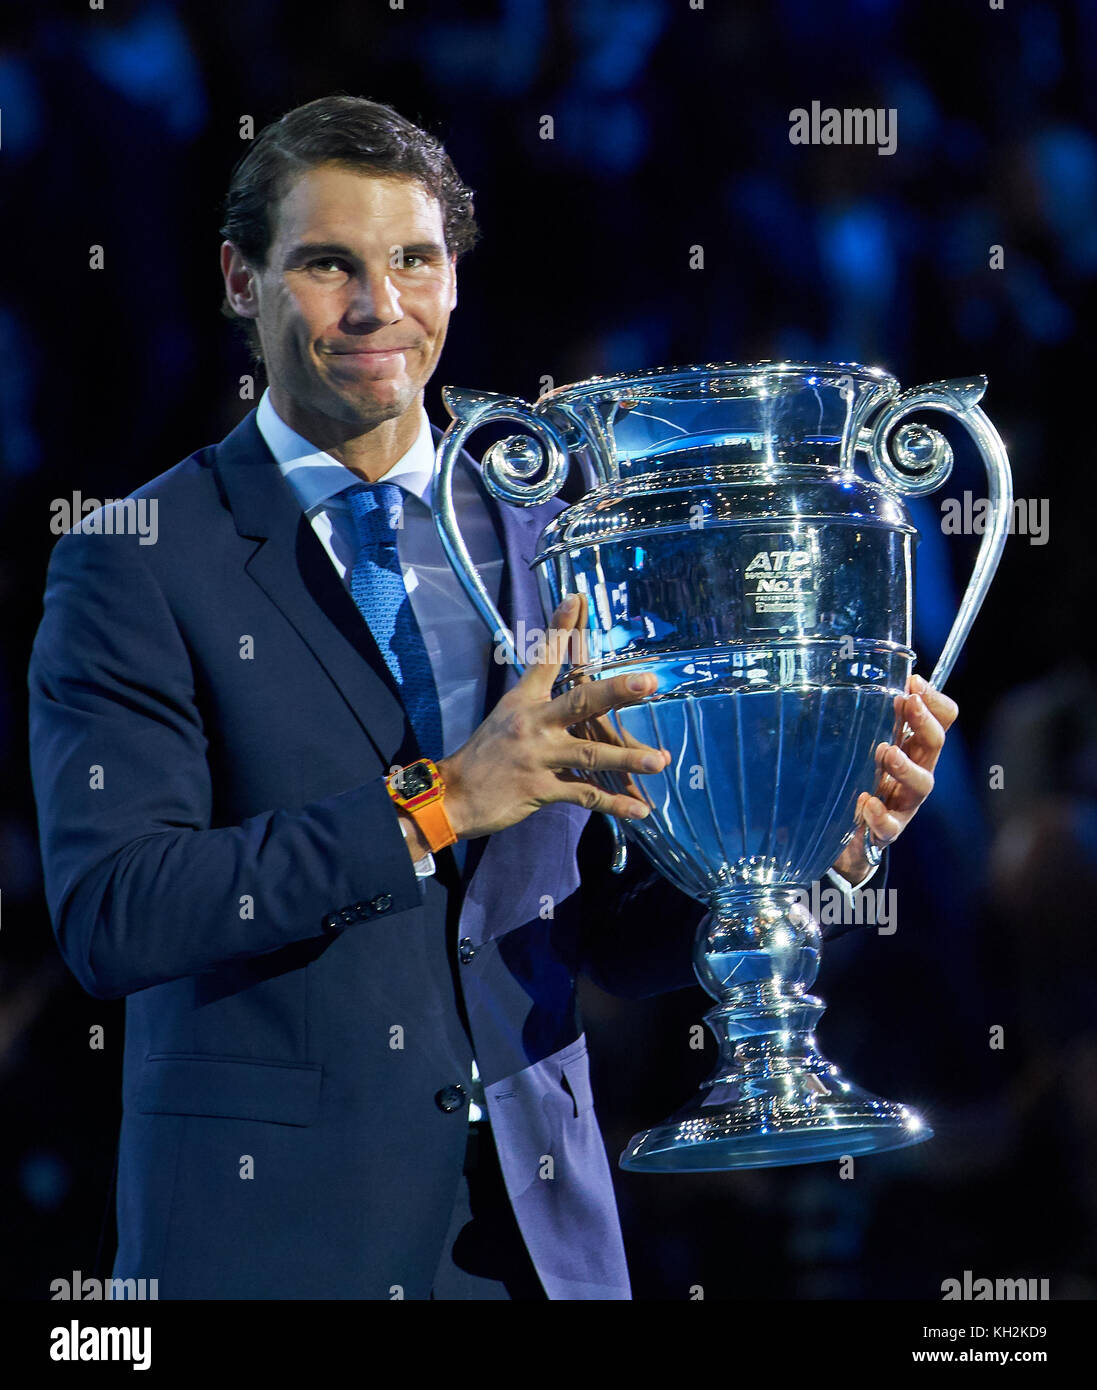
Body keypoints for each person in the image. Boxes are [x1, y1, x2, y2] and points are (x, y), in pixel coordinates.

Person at [27, 94, 956, 1300]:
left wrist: (807, 844)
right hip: (272, 1253)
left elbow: (609, 941)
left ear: (454, 277)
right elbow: (115, 914)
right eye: (326, 264)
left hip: (540, 1251)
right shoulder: (136, 558)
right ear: (235, 278)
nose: (379, 307)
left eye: (414, 259)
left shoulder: (553, 537)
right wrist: (438, 802)